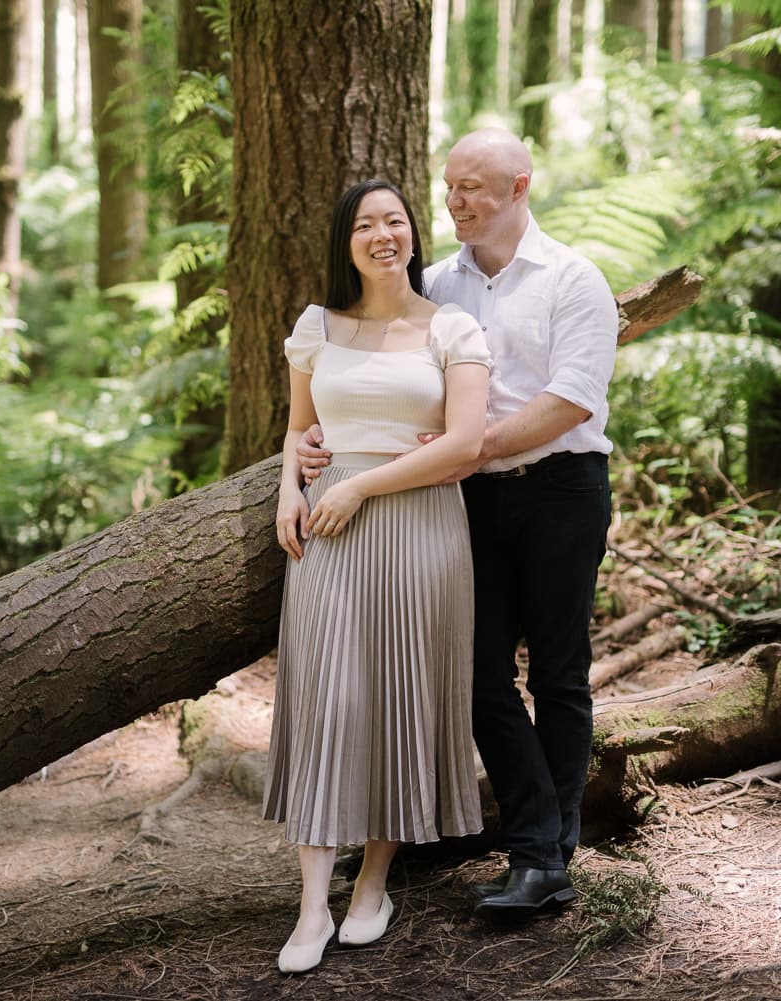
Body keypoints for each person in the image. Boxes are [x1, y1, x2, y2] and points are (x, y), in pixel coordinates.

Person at [299, 129, 618, 913]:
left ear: (519, 187)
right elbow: (387, 369)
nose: (454, 201)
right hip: (466, 500)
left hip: (562, 489)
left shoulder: (574, 279)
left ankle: (549, 851)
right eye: (447, 187)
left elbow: (572, 397)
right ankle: (537, 846)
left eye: (471, 186)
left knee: (557, 672)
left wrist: (466, 446)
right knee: (477, 675)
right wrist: (320, 436)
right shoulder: (437, 284)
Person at [263, 178, 493, 973]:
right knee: (330, 700)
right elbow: (297, 432)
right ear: (347, 242)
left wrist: (358, 484)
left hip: (421, 527)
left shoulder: (452, 327)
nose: (382, 233)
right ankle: (309, 909)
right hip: (327, 532)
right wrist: (290, 491)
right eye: (365, 223)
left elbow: (465, 445)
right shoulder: (316, 326)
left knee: (400, 694)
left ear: (414, 234)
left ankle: (373, 883)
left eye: (394, 219)